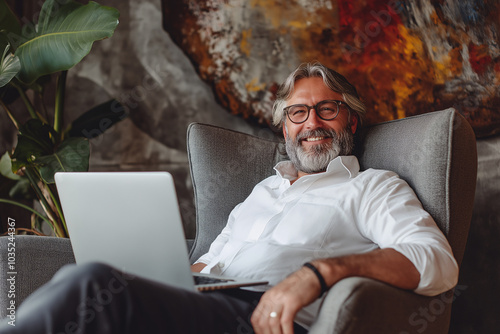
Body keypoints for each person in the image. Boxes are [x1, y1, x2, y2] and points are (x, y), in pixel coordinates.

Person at [0, 62, 458, 334]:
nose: (311, 122)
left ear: (351, 122)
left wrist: (322, 273)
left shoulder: (372, 187)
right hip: (202, 298)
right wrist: (150, 272)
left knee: (91, 286)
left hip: (260, 318)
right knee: (81, 278)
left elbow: (436, 261)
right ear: (285, 127)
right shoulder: (264, 191)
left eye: (327, 109)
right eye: (298, 112)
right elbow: (207, 264)